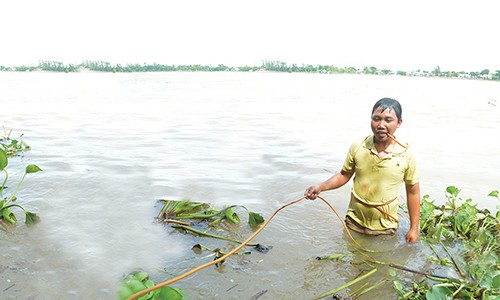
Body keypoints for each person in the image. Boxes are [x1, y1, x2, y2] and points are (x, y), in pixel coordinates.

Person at [304, 98, 420, 243]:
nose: (381, 125)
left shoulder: (405, 154)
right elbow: (343, 175)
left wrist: (413, 228)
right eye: (376, 119)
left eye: (388, 120)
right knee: (354, 263)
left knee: (382, 264)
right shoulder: (359, 146)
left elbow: (413, 192)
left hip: (385, 228)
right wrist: (320, 187)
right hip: (353, 224)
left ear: (399, 123)